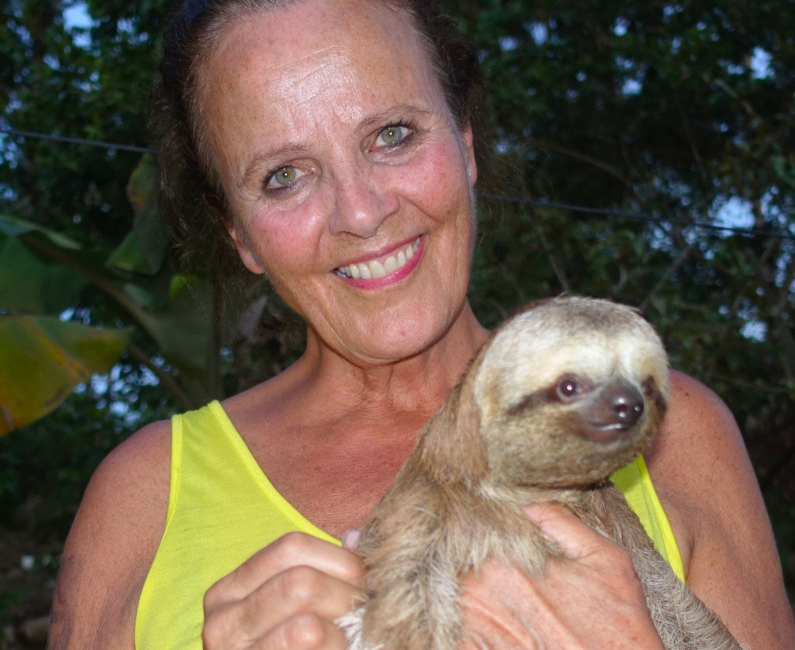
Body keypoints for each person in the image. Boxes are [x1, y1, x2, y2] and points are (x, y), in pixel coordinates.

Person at [48, 0, 795, 648]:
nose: (363, 212)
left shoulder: (665, 431)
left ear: (464, 145)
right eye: (284, 176)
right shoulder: (144, 497)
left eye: (393, 135)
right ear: (239, 234)